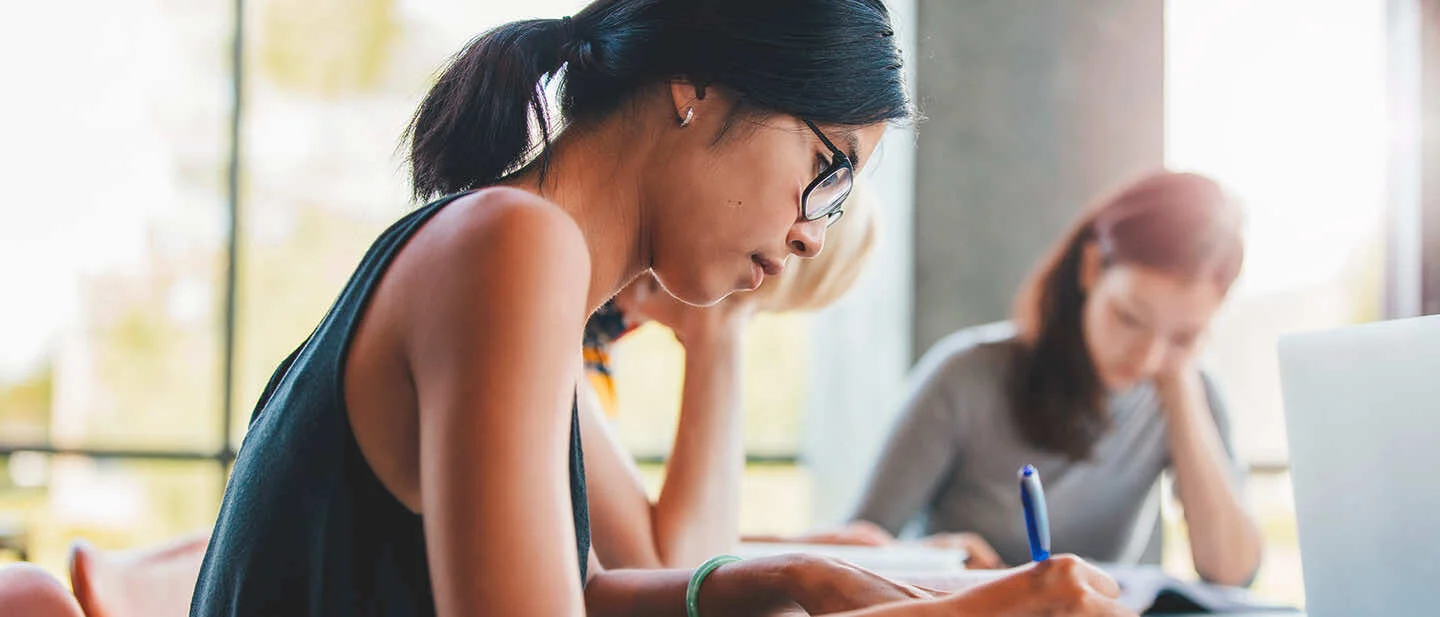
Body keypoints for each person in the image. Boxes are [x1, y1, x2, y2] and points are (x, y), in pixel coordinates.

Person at [169, 0, 1134, 615]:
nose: (811, 234)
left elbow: (579, 593)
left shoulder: (509, 248)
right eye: (826, 172)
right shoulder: (512, 245)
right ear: (696, 88)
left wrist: (803, 576)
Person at [847, 171, 1263, 586]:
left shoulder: (1190, 392)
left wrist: (1180, 389)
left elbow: (1231, 574)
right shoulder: (967, 375)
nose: (1148, 357)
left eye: (1184, 336)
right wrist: (927, 562)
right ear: (1092, 268)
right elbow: (850, 552)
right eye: (1130, 318)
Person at [581, 186, 888, 570]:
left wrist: (785, 546)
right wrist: (718, 329)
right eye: (757, 309)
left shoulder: (600, 333)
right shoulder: (568, 318)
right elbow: (678, 574)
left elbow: (597, 535)